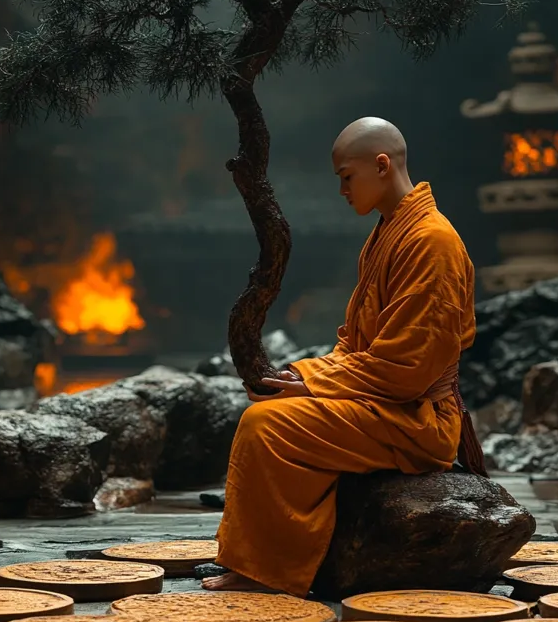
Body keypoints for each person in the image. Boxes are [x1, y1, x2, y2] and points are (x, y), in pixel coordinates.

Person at [203, 117, 485, 596]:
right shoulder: (389, 232)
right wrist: (306, 377)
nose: (342, 190)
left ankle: (267, 573)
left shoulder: (431, 242)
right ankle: (262, 561)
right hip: (387, 398)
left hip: (417, 417)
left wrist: (315, 381)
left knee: (266, 426)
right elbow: (355, 342)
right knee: (271, 406)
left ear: (381, 165)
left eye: (346, 177)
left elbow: (408, 368)